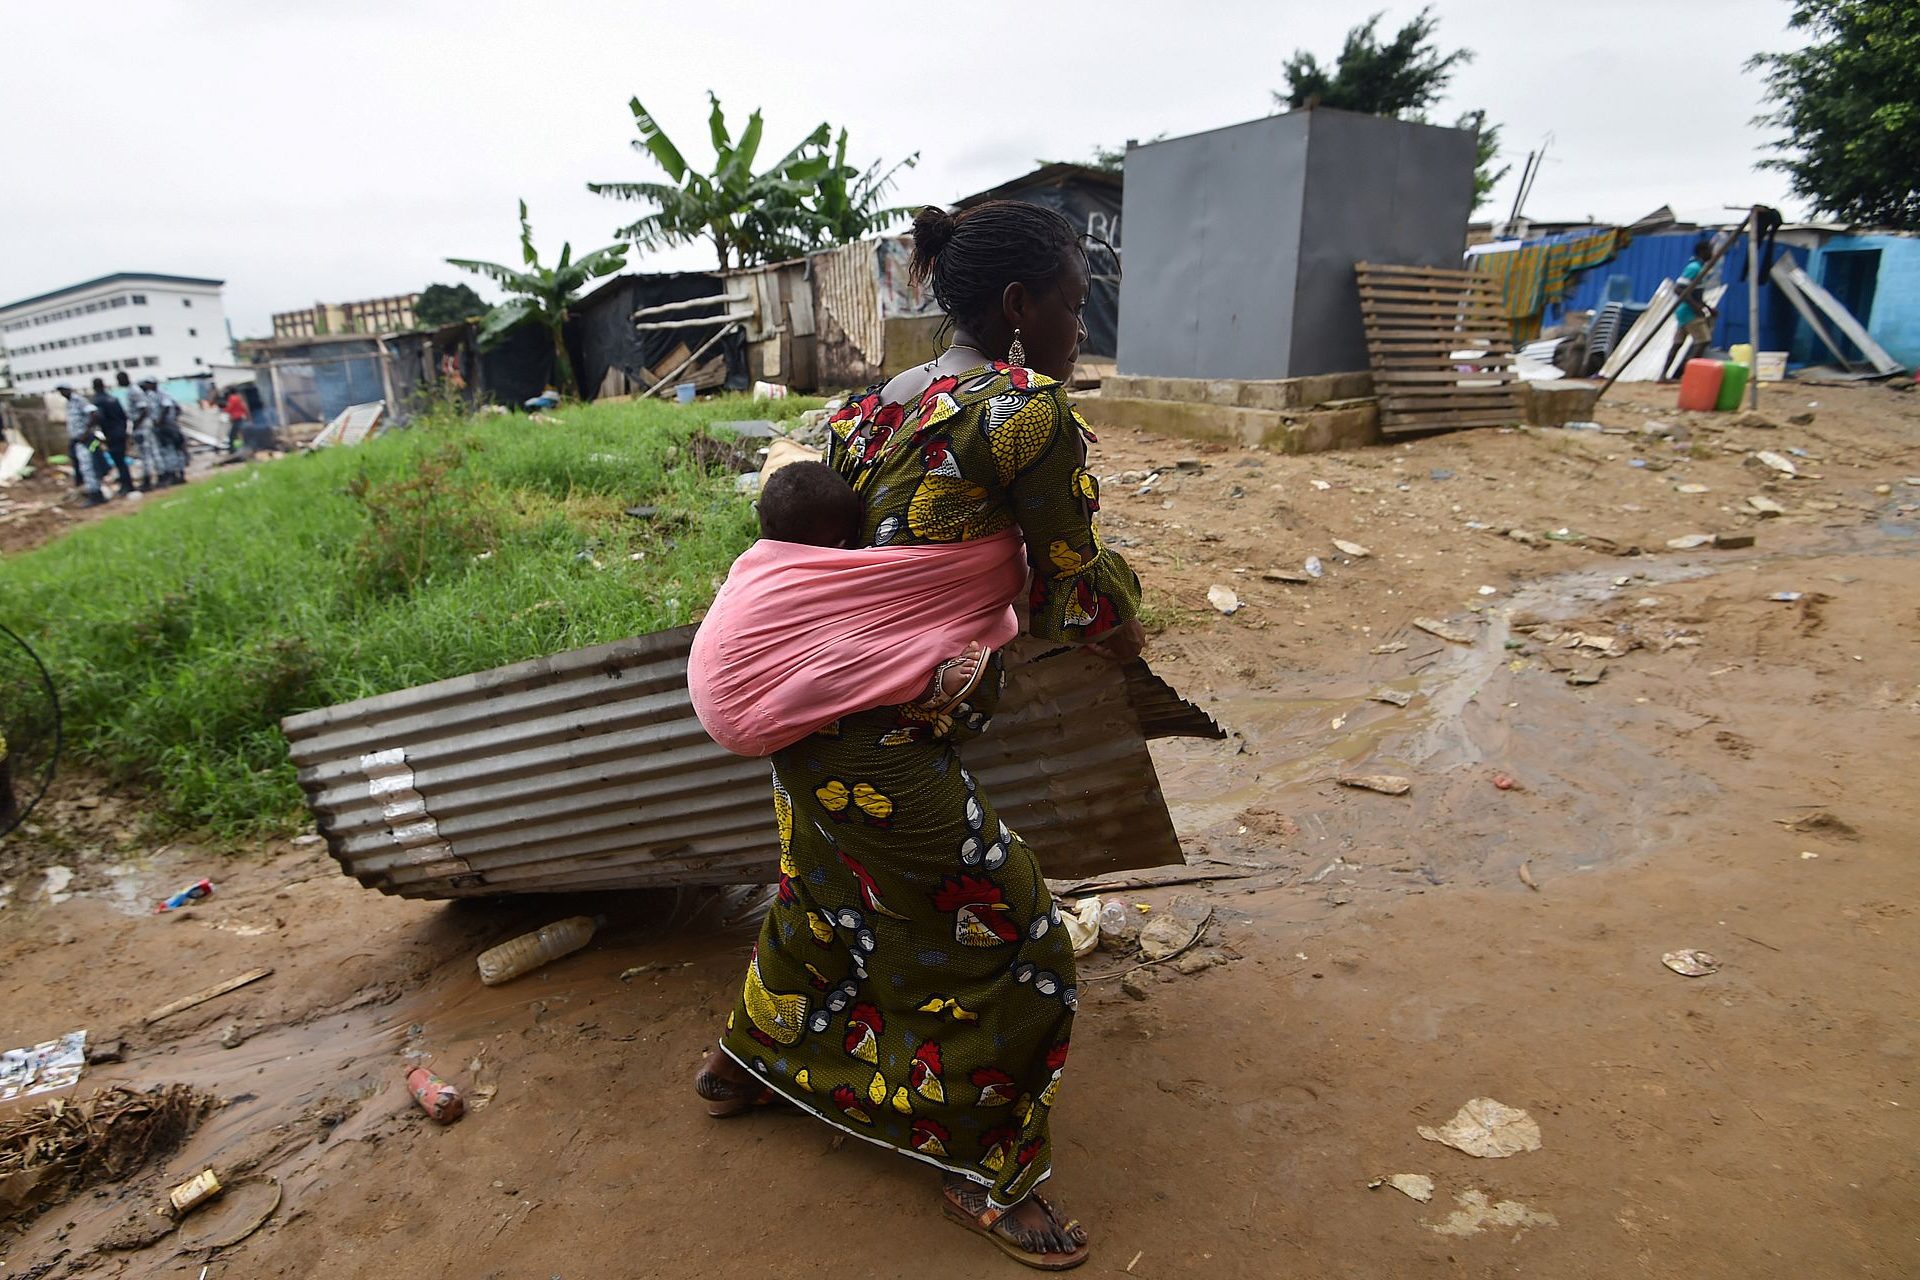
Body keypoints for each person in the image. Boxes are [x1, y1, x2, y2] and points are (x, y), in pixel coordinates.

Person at [693, 199, 1142, 1271]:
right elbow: (1080, 594)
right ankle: (983, 1168)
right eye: (1079, 307)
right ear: (1022, 306)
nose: (1083, 330)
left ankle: (748, 1063)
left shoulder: (863, 411)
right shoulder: (1025, 412)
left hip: (813, 722)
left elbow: (853, 572)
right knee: (1016, 930)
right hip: (872, 745)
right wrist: (1121, 611)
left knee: (830, 896)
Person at [688, 460, 1001, 756]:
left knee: (836, 642)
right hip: (743, 723)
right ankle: (925, 688)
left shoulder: (757, 566)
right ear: (840, 545)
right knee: (846, 656)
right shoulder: (800, 581)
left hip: (704, 677)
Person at [1662, 239, 1717, 382]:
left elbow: (1694, 292)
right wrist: (1696, 307)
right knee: (1703, 341)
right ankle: (1688, 375)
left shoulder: (1699, 268)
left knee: (1677, 344)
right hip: (1689, 312)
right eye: (1710, 250)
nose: (1712, 253)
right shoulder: (1694, 268)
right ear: (1702, 252)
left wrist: (1707, 307)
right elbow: (1679, 289)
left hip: (1684, 311)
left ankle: (1663, 376)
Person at [56, 385, 106, 506]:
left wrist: (86, 432)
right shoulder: (69, 404)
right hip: (78, 440)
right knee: (85, 467)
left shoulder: (78, 400)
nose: (62, 393)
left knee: (88, 467)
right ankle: (95, 492)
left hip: (86, 440)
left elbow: (94, 414)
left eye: (63, 390)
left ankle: (95, 494)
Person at [89, 377, 136, 496]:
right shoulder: (113, 399)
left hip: (110, 434)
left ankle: (127, 485)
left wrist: (101, 435)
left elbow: (99, 418)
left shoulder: (98, 401)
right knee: (122, 460)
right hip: (120, 432)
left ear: (94, 387)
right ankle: (128, 484)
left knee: (118, 461)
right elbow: (124, 416)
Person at [142, 378, 188, 486]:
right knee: (170, 450)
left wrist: (161, 421)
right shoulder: (152, 396)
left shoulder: (161, 394)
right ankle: (176, 474)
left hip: (166, 426)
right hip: (165, 426)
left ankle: (176, 474)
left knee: (171, 450)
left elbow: (167, 407)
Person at [118, 370, 157, 491]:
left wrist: (136, 424)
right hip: (139, 427)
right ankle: (147, 479)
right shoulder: (131, 390)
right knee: (143, 454)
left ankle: (148, 480)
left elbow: (144, 409)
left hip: (142, 427)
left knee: (145, 454)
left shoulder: (134, 391)